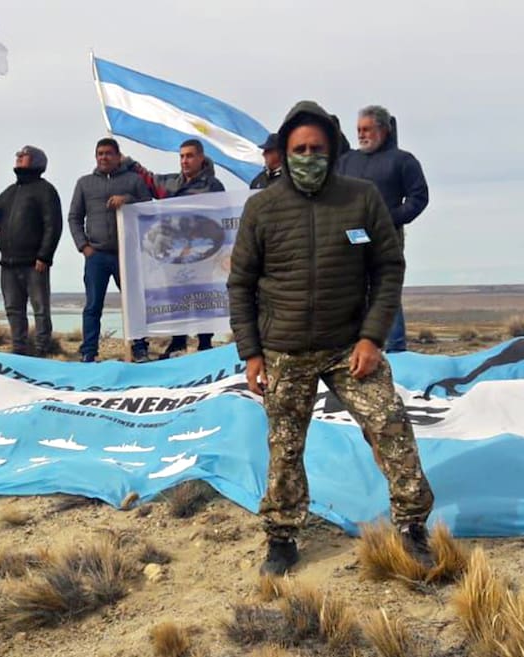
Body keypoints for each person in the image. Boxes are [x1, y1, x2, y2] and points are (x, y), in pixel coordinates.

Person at [227, 100, 434, 577]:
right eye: (298, 148)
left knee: (390, 425)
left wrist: (372, 338)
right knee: (284, 446)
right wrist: (252, 353)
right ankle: (282, 538)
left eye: (316, 147)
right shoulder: (262, 207)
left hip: (350, 347)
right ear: (286, 150)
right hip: (284, 349)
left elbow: (387, 269)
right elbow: (240, 285)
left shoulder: (361, 198)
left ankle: (412, 526)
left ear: (332, 149)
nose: (307, 155)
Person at [337, 105, 429, 353]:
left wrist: (390, 219)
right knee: (352, 289)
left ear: (383, 130)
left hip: (386, 236)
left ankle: (396, 350)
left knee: (385, 289)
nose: (361, 134)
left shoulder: (403, 161)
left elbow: (419, 198)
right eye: (358, 129)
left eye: (367, 129)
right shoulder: (347, 161)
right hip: (351, 236)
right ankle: (355, 348)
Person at [67, 137, 152, 363]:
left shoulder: (133, 180)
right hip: (96, 254)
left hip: (127, 254)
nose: (103, 157)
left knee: (135, 302)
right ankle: (89, 351)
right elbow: (74, 217)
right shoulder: (84, 183)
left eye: (108, 153)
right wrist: (83, 246)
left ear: (117, 156)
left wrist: (127, 199)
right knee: (93, 305)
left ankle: (141, 348)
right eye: (100, 153)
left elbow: (148, 208)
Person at [0, 145, 62, 356]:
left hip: (34, 263)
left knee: (40, 310)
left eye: (24, 155)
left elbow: (53, 225)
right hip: (8, 263)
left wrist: (45, 256)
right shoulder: (11, 191)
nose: (18, 157)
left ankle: (42, 350)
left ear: (37, 161)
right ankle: (19, 349)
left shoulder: (45, 190)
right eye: (18, 155)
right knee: (13, 310)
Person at [143, 138, 225, 359]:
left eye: (189, 156)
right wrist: (129, 163)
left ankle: (205, 343)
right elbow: (149, 181)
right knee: (176, 297)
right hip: (174, 254)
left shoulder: (212, 186)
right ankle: (178, 342)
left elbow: (219, 218)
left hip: (201, 253)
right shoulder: (171, 183)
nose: (185, 161)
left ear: (200, 157)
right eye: (181, 156)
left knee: (202, 297)